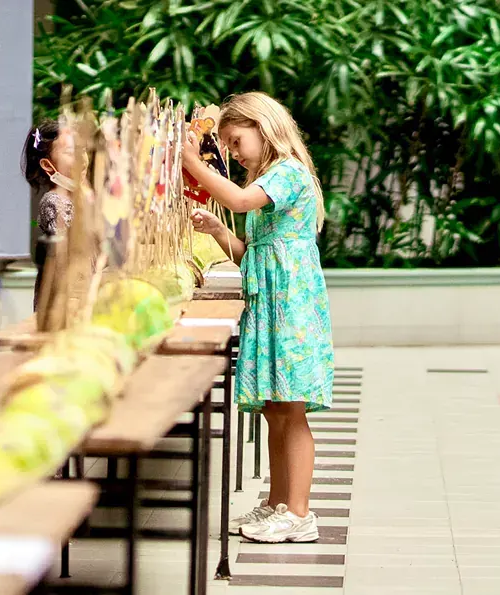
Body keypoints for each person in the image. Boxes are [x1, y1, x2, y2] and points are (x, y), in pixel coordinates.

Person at [183, 92, 335, 544]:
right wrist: (218, 232)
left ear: (263, 126)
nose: (231, 150)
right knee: (274, 410)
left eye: (235, 139)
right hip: (270, 300)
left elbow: (240, 199)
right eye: (226, 143)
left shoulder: (287, 171)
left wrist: (193, 163)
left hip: (290, 305)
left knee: (292, 408)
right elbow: (252, 255)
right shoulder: (267, 178)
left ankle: (300, 513)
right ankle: (279, 501)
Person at [21, 120, 76, 310]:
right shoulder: (53, 202)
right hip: (61, 303)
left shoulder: (81, 199)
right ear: (47, 164)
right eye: (70, 153)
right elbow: (69, 257)